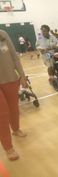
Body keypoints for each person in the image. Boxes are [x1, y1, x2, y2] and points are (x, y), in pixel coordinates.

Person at [0, 29, 28, 161]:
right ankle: (8, 147)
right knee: (2, 114)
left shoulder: (3, 34)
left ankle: (16, 129)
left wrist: (22, 75)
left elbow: (14, 56)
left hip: (10, 79)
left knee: (13, 109)